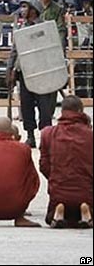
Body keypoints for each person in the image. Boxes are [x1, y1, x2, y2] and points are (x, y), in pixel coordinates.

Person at [6, 0, 53, 148]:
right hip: (25, 73)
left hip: (42, 74)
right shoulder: (21, 28)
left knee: (44, 108)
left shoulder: (44, 28)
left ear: (34, 9)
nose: (22, 10)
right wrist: (10, 70)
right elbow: (15, 51)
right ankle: (30, 135)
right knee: (26, 106)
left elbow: (51, 50)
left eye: (25, 7)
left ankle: (45, 137)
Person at [40, 95, 93, 228]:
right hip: (86, 190)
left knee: (51, 216)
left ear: (62, 111)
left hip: (59, 190)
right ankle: (85, 209)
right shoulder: (90, 135)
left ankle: (59, 209)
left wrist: (54, 177)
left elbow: (44, 165)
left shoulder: (48, 133)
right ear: (81, 111)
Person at [37, 0, 67, 117]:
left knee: (52, 85)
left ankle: (48, 113)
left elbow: (61, 30)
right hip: (36, 51)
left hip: (50, 51)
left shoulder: (57, 9)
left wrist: (59, 52)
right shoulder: (34, 7)